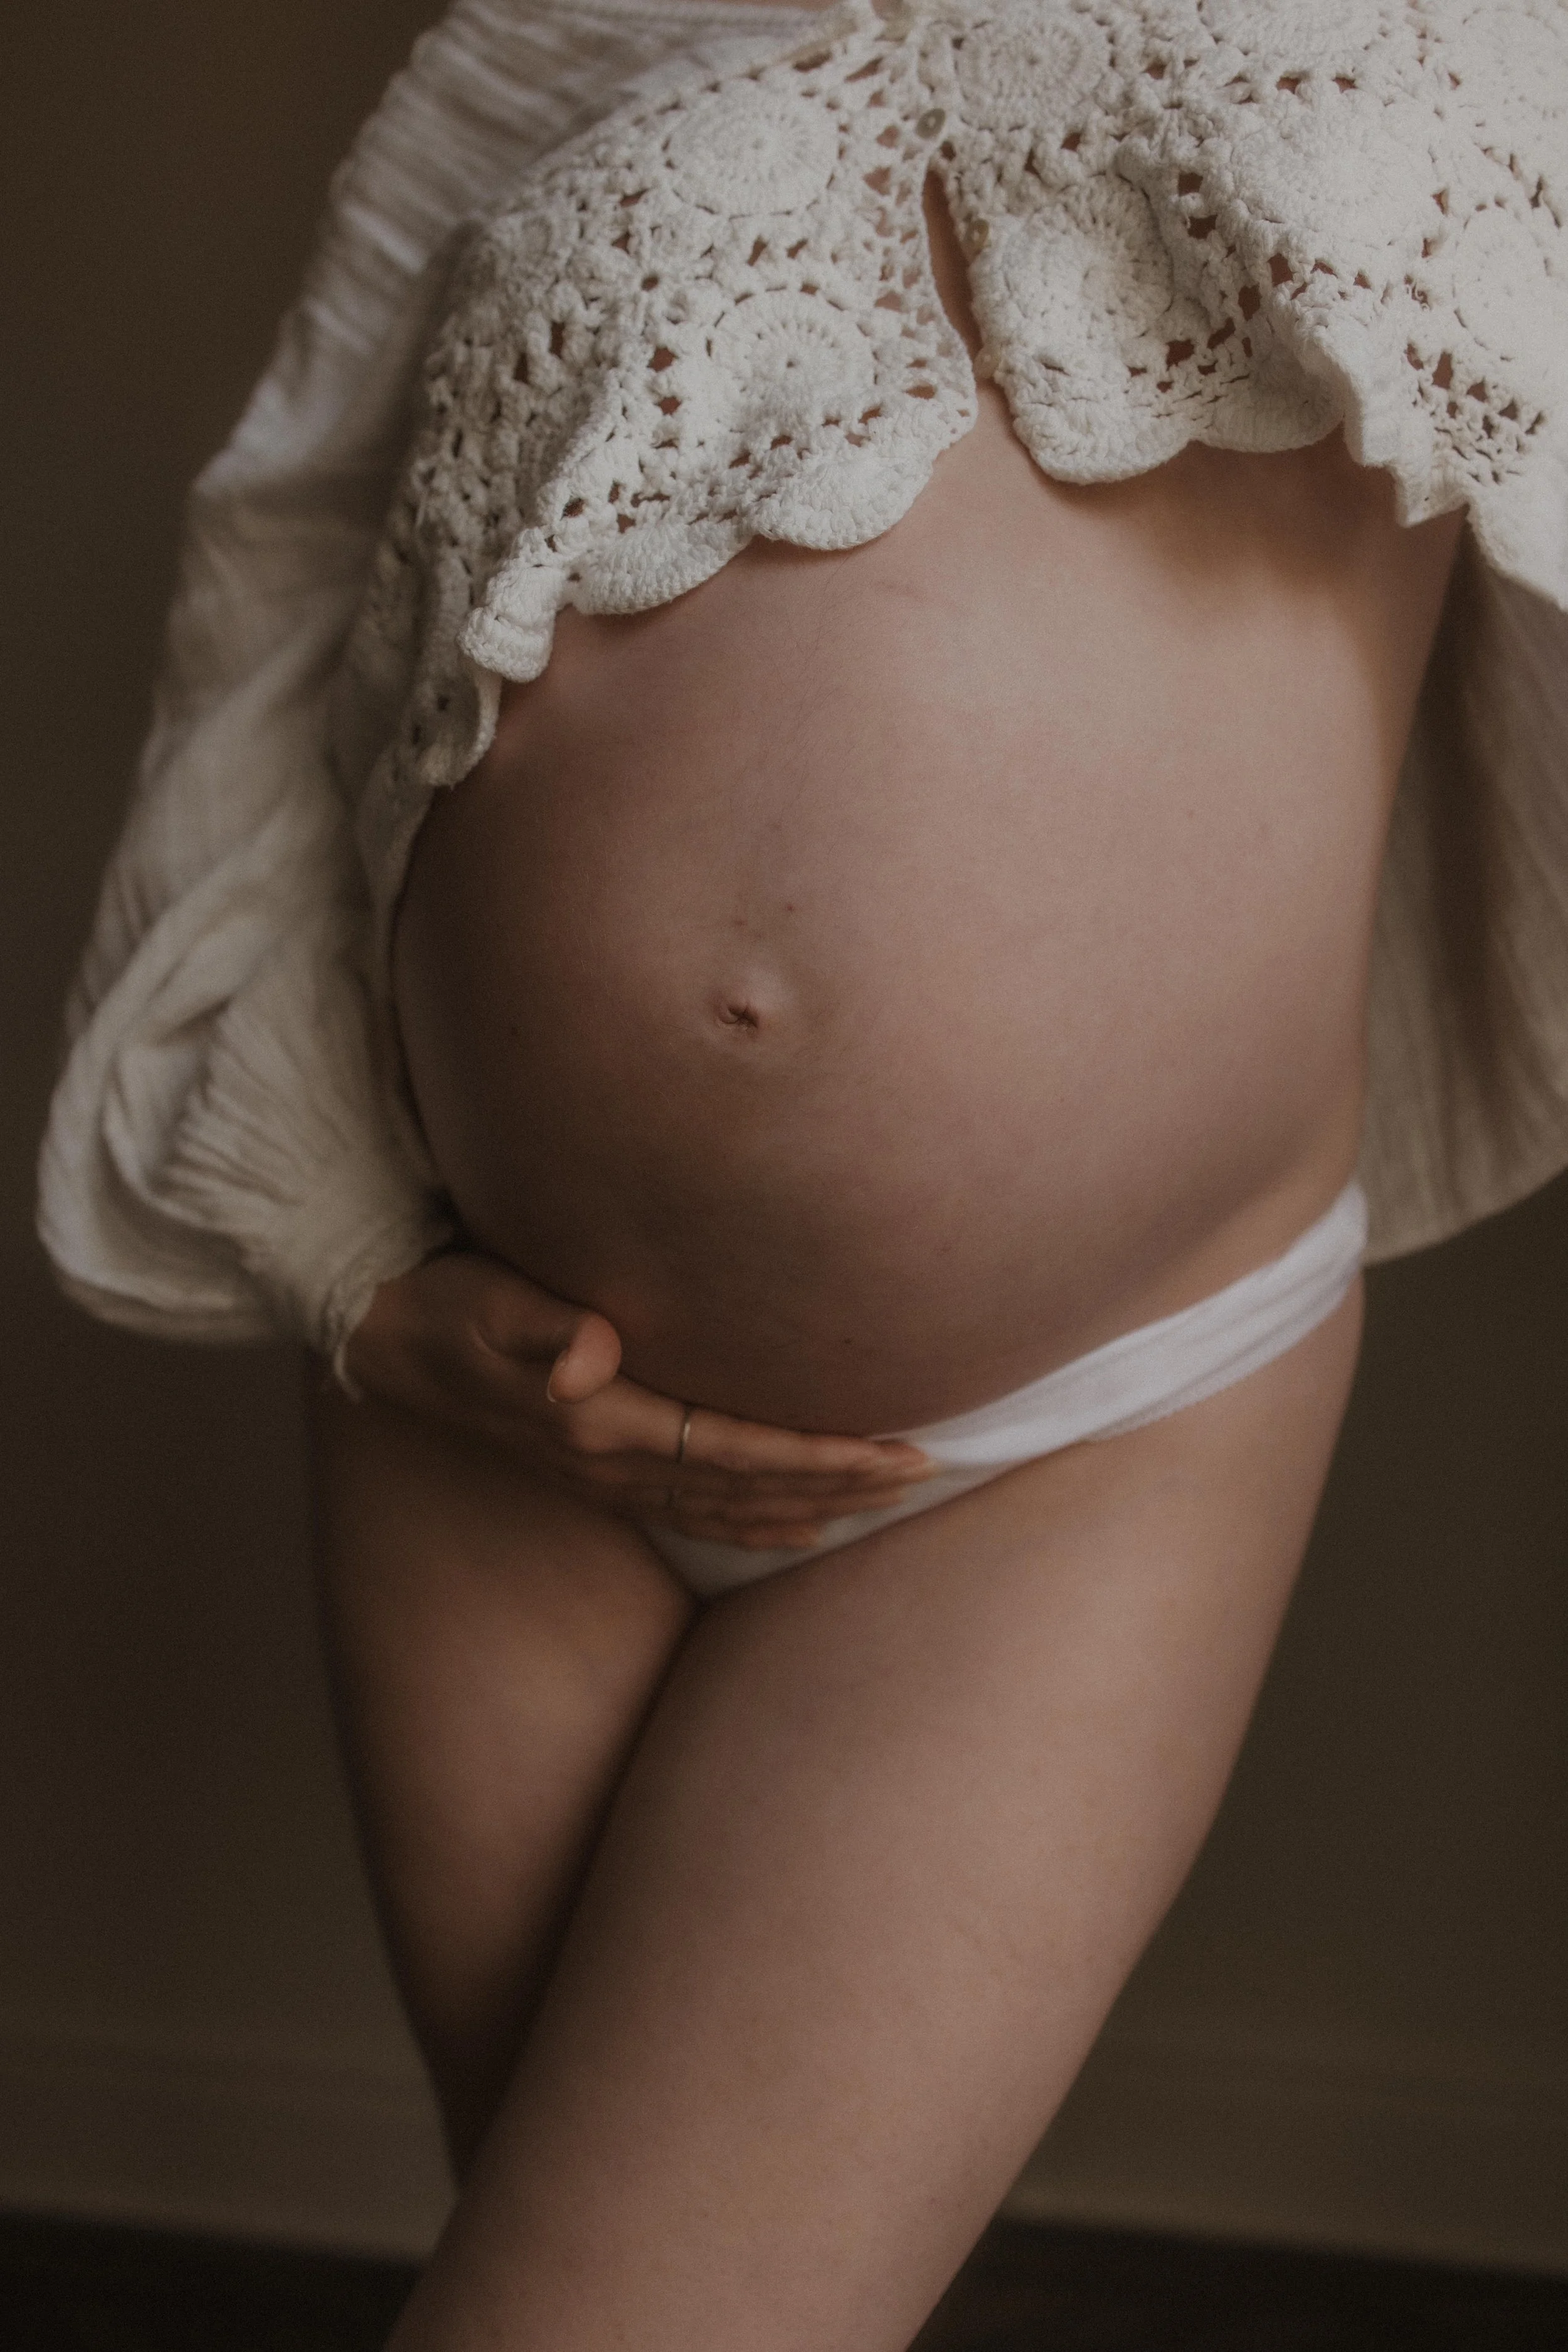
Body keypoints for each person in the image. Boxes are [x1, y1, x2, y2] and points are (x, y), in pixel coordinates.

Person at [37, 3, 1568, 2344]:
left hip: (1060, 1444)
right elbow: (273, 647)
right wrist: (346, 1251)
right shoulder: (559, 50)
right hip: (478, 1389)